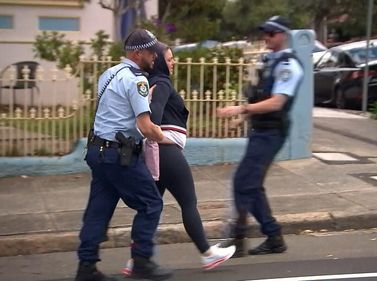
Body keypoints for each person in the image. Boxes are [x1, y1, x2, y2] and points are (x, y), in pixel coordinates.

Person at [121, 43, 235, 275]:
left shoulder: (151, 82)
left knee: (152, 206)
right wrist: (161, 136)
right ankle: (208, 254)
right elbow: (153, 117)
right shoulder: (161, 83)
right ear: (160, 61)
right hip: (167, 153)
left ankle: (137, 259)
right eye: (170, 59)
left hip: (156, 153)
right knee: (188, 202)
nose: (173, 63)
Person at [75, 29, 172, 281]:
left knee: (99, 208)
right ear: (138, 54)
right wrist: (164, 137)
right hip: (119, 155)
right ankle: (141, 262)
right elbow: (144, 125)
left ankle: (86, 267)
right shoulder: (137, 80)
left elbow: (115, 111)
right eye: (151, 52)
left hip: (98, 152)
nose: (155, 56)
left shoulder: (109, 73)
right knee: (151, 203)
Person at [216, 16, 304, 257]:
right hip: (261, 130)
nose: (266, 36)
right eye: (265, 32)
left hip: (272, 132)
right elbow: (259, 97)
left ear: (283, 35)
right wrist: (242, 118)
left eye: (272, 33)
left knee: (242, 183)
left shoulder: (289, 66)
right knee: (251, 185)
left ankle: (237, 240)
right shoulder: (269, 61)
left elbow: (277, 102)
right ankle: (274, 237)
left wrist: (241, 110)